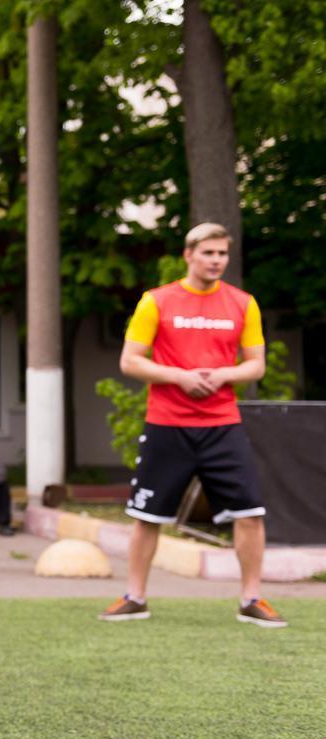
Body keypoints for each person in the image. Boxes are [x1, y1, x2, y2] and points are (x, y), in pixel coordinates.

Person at [99, 222, 285, 627]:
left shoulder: (243, 304)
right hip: (167, 424)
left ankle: (251, 599)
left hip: (223, 424)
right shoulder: (156, 301)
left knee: (250, 513)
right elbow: (130, 361)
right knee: (146, 516)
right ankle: (135, 597)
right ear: (188, 255)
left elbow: (255, 365)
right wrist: (179, 377)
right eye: (208, 253)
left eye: (222, 253)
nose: (216, 260)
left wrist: (223, 375)